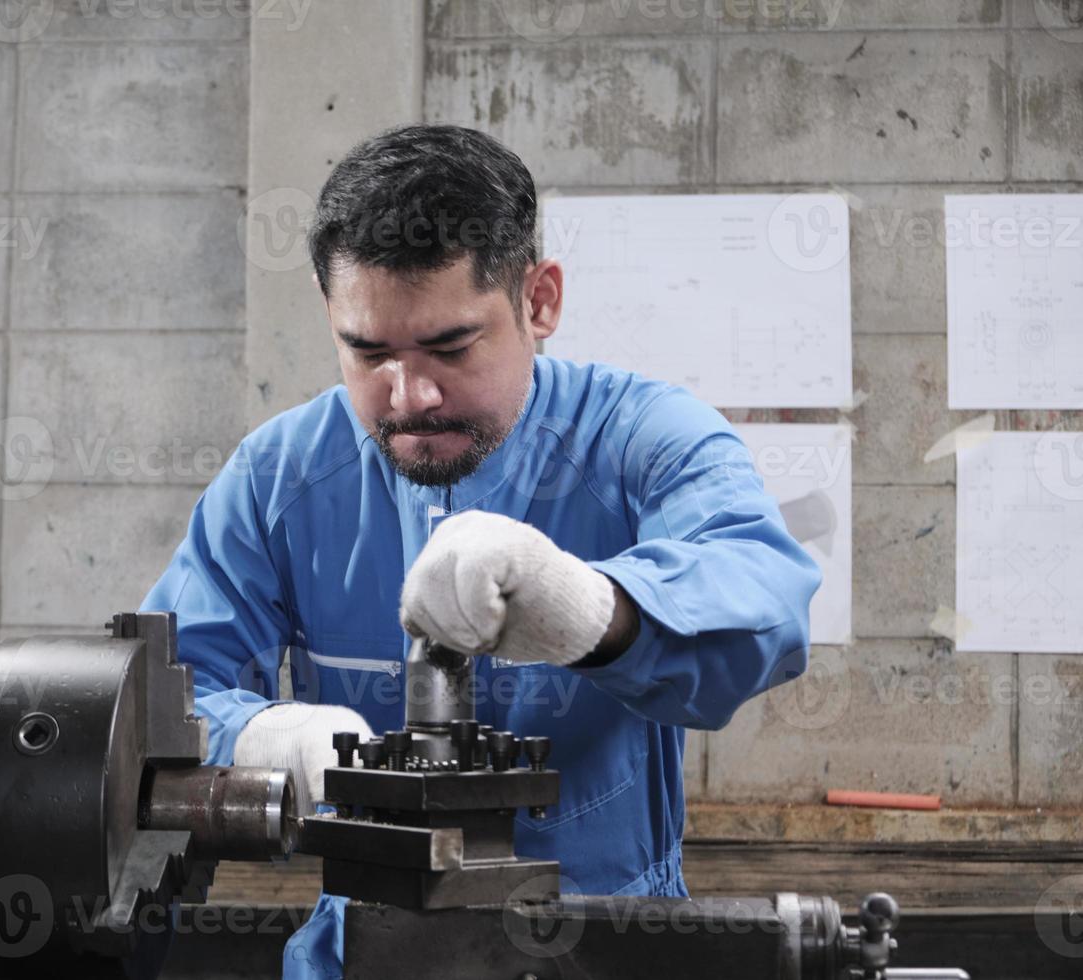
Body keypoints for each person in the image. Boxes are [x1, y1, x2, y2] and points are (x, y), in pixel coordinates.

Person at [141, 124, 821, 978]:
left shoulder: (644, 437)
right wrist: (267, 740)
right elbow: (160, 694)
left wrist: (589, 610)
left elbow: (765, 611)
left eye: (451, 347)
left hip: (605, 944)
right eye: (369, 352)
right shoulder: (280, 477)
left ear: (538, 301)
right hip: (365, 952)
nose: (410, 395)